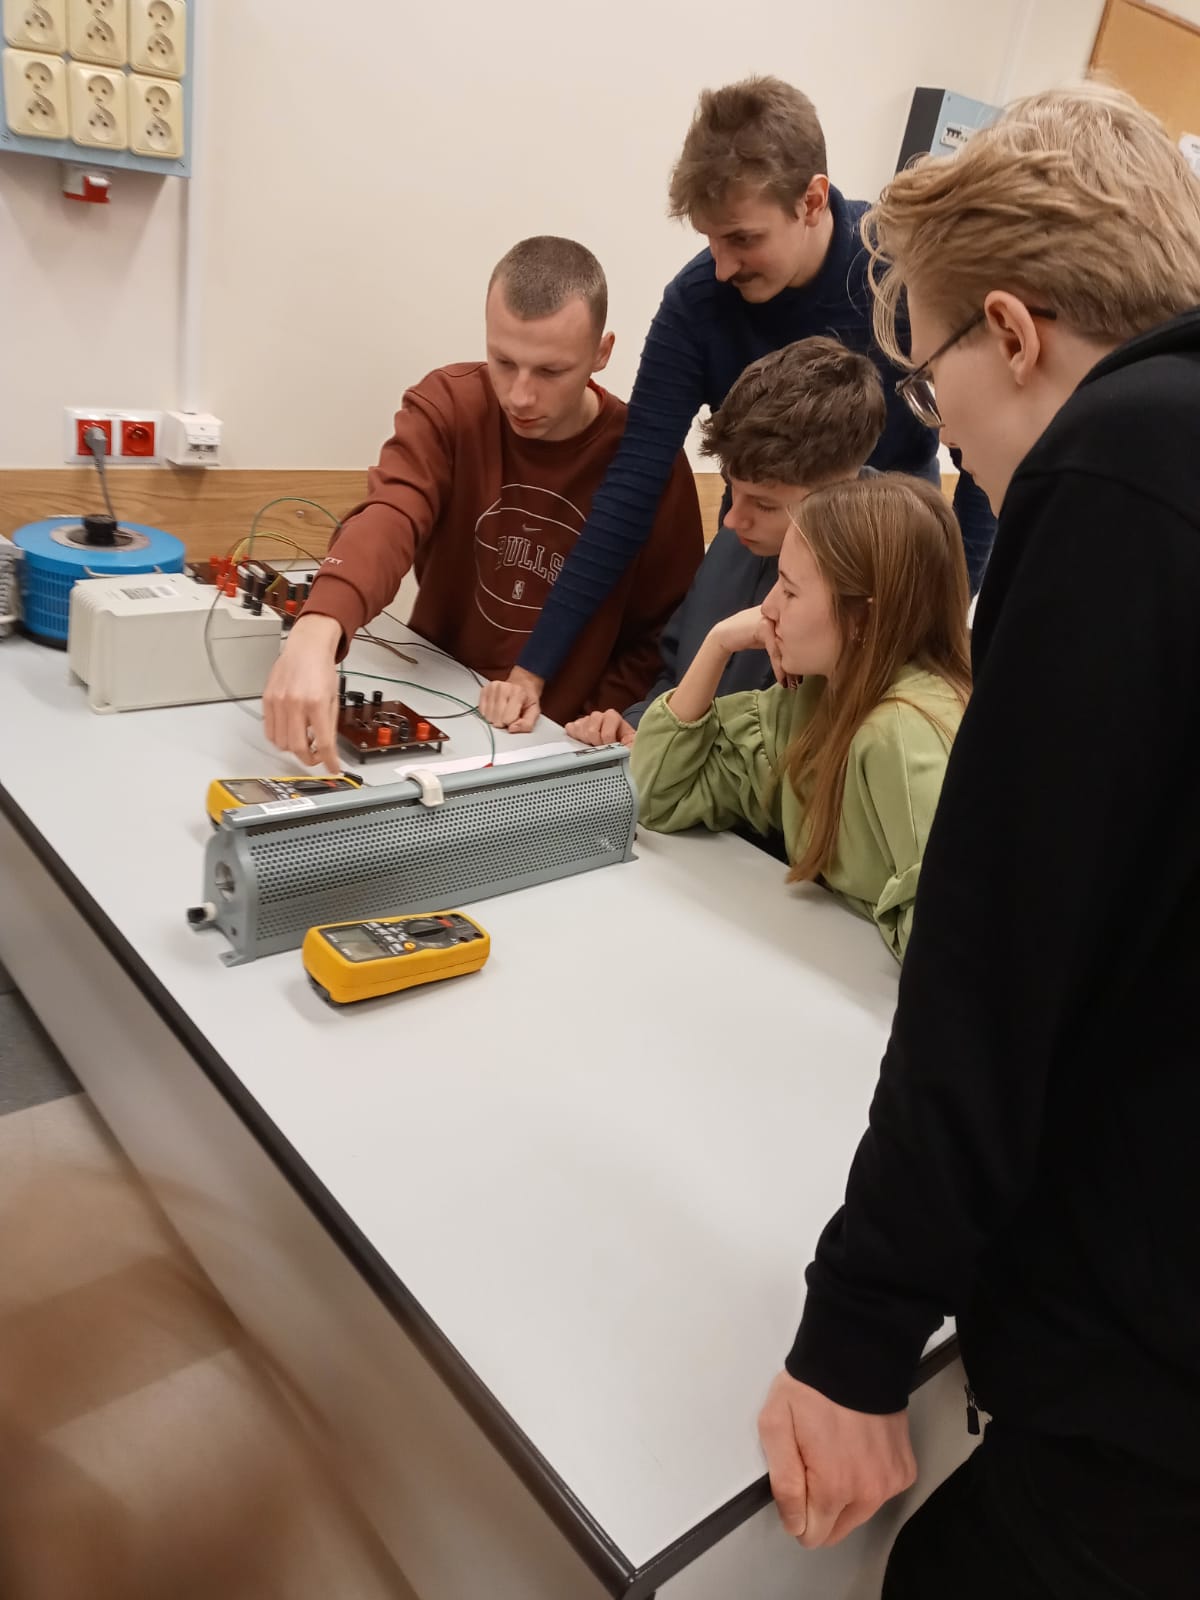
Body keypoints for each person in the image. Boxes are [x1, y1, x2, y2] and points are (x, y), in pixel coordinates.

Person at [756, 85, 1200, 1597]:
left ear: (1008, 333)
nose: (950, 449)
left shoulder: (1126, 454)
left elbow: (1001, 950)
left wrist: (857, 1330)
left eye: (933, 393)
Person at [480, 76, 994, 736]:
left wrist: (933, 614)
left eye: (743, 239)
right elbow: (631, 488)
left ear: (811, 200)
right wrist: (533, 671)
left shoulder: (903, 281)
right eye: (710, 240)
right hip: (758, 554)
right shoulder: (697, 304)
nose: (723, 266)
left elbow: (982, 469)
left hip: (883, 582)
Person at [262, 236, 703, 769]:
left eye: (551, 372)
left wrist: (587, 722)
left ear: (601, 353)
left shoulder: (649, 463)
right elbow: (392, 515)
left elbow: (662, 632)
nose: (520, 395)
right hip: (439, 710)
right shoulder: (448, 406)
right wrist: (318, 628)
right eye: (503, 361)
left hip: (558, 745)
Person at [630, 475, 970, 961]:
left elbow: (952, 946)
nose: (766, 609)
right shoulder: (816, 695)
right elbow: (658, 798)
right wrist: (718, 643)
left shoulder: (901, 731)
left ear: (861, 618)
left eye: (789, 591)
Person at [564, 335, 886, 750]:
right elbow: (673, 676)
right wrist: (634, 725)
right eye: (731, 488)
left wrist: (669, 747)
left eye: (764, 504)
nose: (732, 520)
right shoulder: (737, 542)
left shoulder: (871, 591)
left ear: (839, 490)